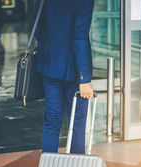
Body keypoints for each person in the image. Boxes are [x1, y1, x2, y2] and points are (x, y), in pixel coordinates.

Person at [33, 0, 94, 154]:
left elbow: (38, 30)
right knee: (77, 121)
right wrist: (84, 78)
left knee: (52, 120)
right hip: (74, 70)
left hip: (50, 66)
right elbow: (80, 36)